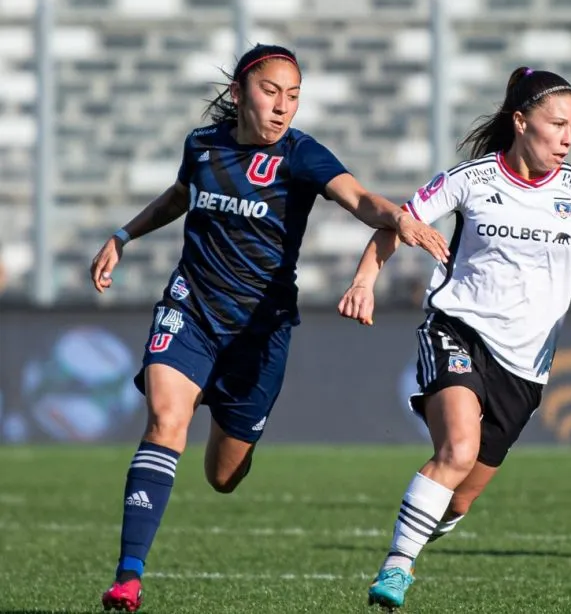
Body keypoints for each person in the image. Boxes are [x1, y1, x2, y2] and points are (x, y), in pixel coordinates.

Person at [90, 43, 448, 613]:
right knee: (165, 419)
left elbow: (358, 197)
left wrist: (397, 218)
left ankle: (228, 420)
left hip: (261, 329)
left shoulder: (301, 155)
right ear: (239, 93)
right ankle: (128, 577)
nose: (283, 107)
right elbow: (182, 195)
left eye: (294, 96)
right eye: (271, 91)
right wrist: (123, 236)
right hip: (192, 308)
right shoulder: (202, 145)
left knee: (223, 476)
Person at [338, 66, 571, 610]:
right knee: (458, 449)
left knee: (460, 499)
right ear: (520, 121)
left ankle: (420, 528)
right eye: (557, 123)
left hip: (527, 364)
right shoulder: (471, 179)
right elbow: (400, 224)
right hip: (459, 329)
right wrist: (364, 281)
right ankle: (397, 569)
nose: (568, 138)